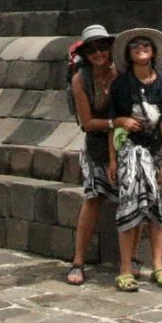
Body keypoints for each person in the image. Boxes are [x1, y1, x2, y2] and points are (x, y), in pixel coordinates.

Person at [107, 26, 162, 292]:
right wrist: (113, 160)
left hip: (156, 151)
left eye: (145, 45)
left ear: (154, 52)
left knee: (158, 206)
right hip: (130, 150)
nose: (140, 49)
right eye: (134, 46)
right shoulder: (121, 85)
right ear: (128, 54)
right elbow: (113, 124)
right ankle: (125, 269)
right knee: (129, 205)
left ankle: (158, 265)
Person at [63, 24, 117, 286]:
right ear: (85, 54)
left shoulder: (119, 72)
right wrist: (115, 123)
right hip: (96, 142)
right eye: (92, 49)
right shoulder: (80, 80)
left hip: (123, 141)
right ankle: (78, 260)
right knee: (93, 197)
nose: (98, 53)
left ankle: (128, 260)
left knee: (131, 197)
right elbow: (87, 122)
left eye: (102, 47)